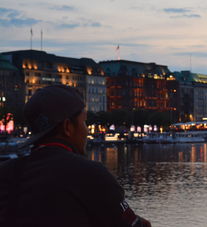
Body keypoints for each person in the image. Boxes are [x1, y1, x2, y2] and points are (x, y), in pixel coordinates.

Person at [0, 85, 151, 227]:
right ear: (67, 127)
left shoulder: (6, 172)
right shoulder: (90, 174)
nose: (86, 130)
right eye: (84, 122)